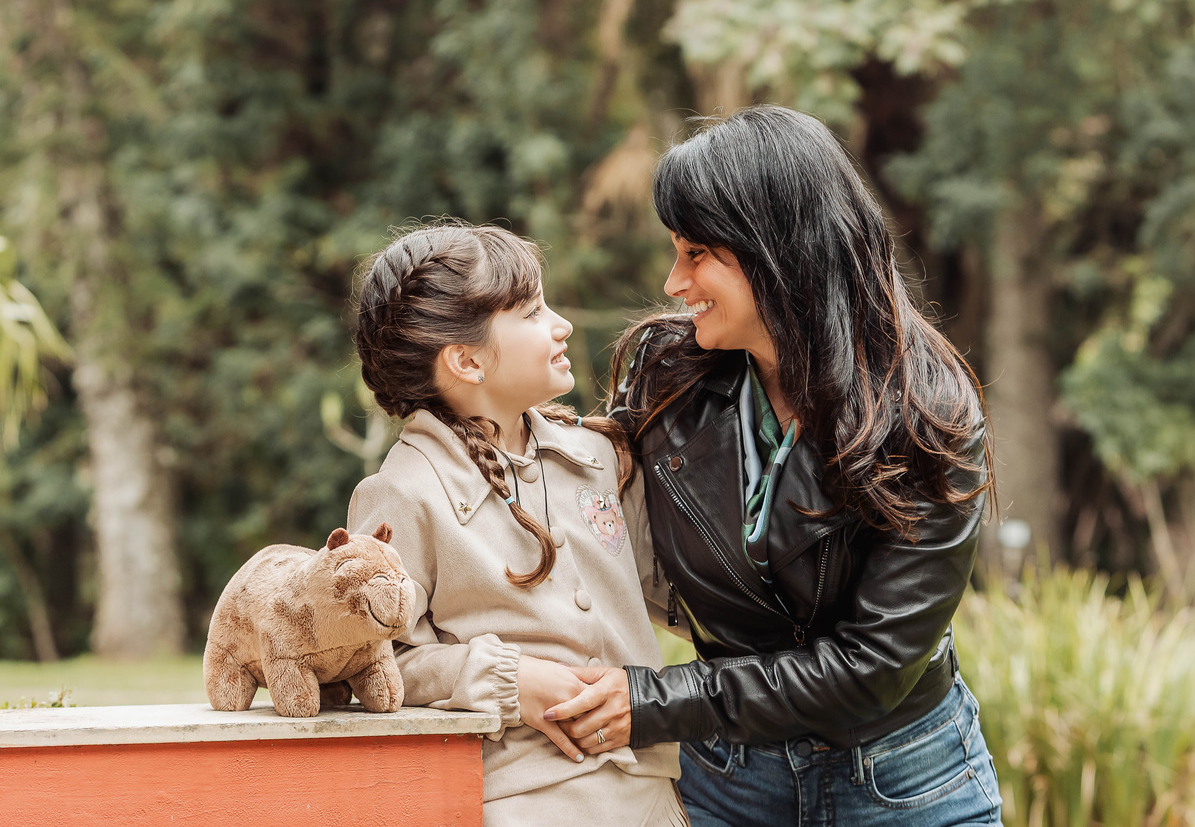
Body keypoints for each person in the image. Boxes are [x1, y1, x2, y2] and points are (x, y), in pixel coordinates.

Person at [543, 106, 1005, 826]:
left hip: (901, 781)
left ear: (780, 251)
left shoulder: (927, 412)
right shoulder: (669, 375)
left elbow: (874, 665)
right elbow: (562, 491)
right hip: (726, 776)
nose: (673, 281)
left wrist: (653, 701)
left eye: (696, 253)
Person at [346, 221, 687, 826]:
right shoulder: (401, 493)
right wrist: (508, 680)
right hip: (522, 803)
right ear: (467, 361)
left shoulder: (599, 456)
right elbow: (372, 662)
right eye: (532, 312)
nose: (562, 325)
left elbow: (671, 594)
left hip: (653, 798)